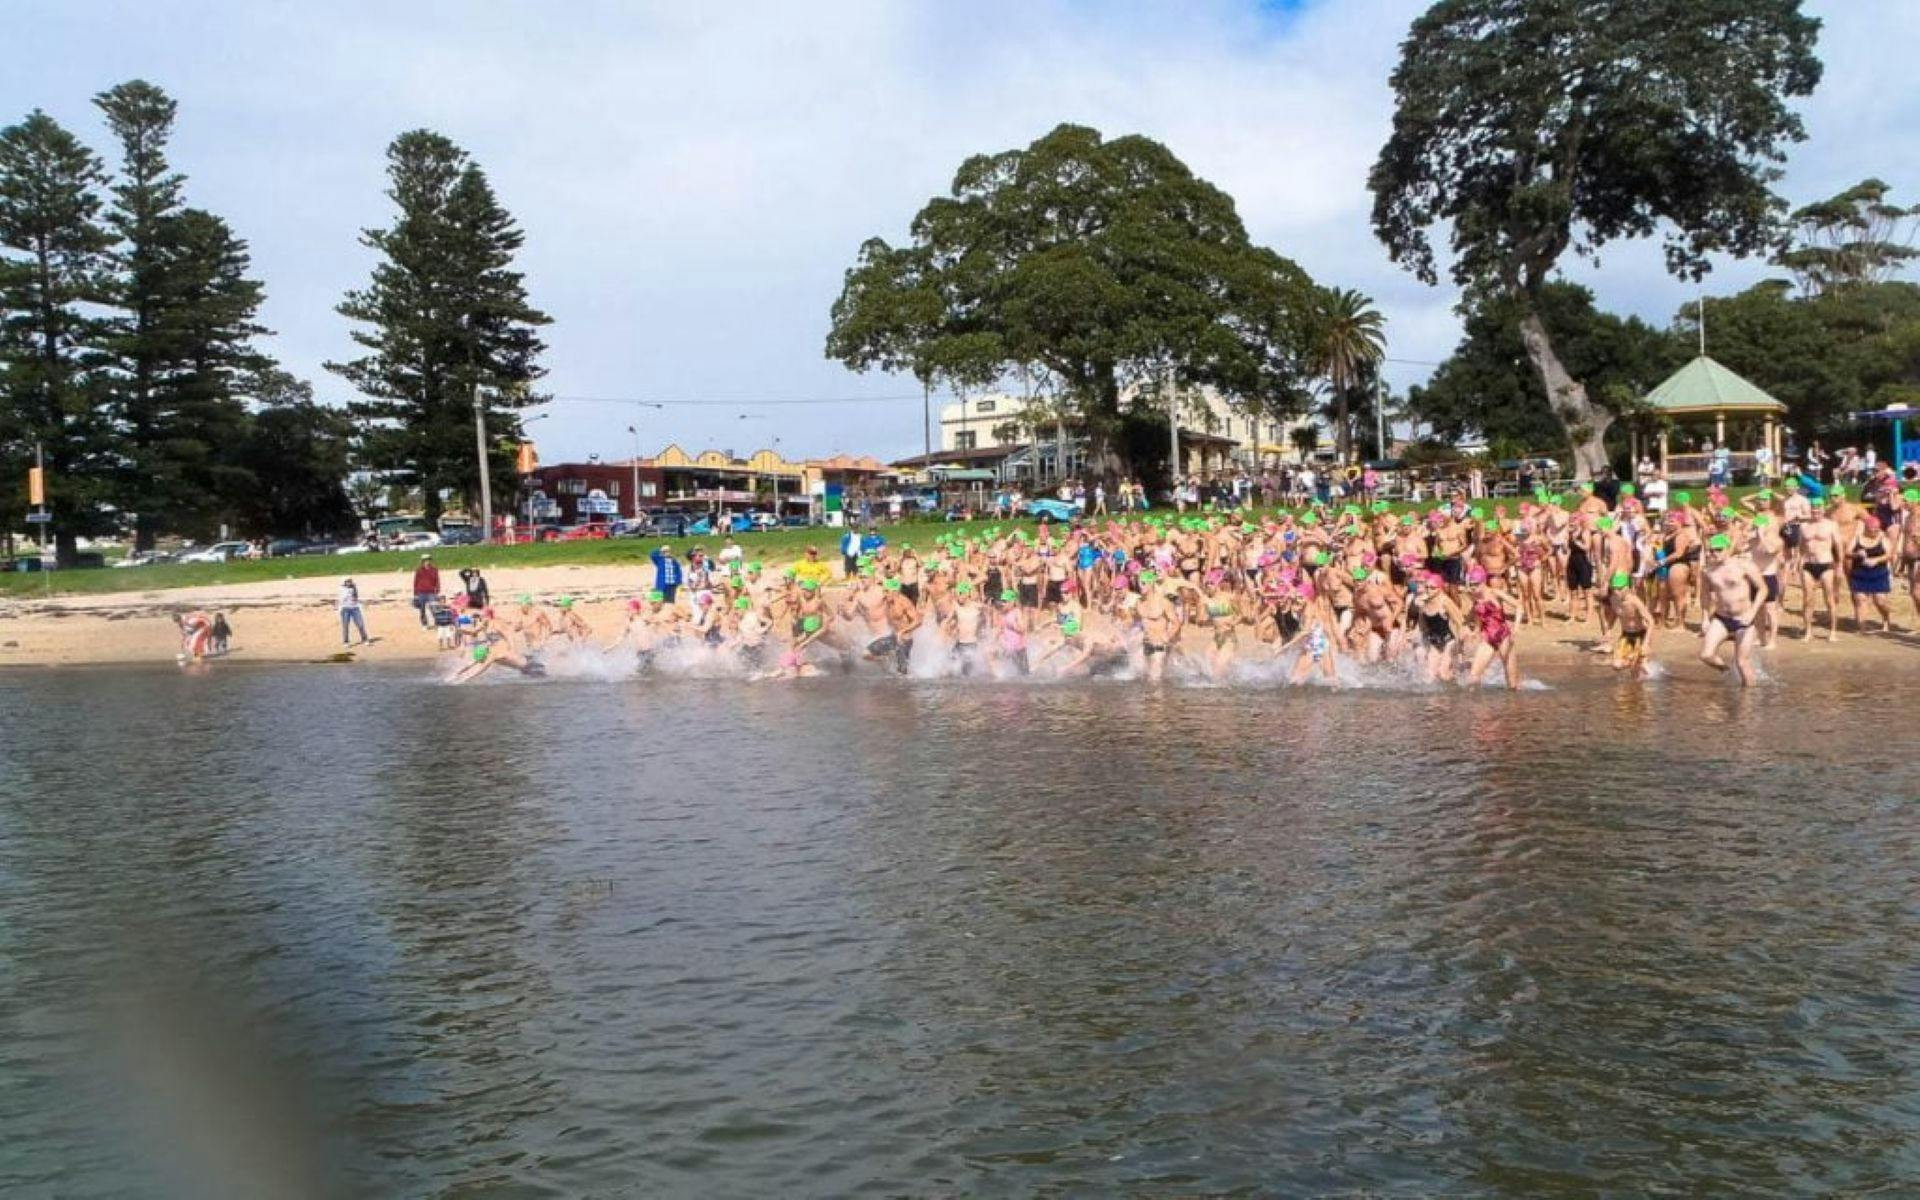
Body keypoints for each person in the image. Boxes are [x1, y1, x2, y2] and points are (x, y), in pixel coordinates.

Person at [1699, 533, 1765, 686]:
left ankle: (1749, 700)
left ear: (1727, 549)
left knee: (1742, 662)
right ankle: (1727, 672)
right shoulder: (1707, 571)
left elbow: (1763, 589)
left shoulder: (1744, 565)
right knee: (1706, 655)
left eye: (1717, 550)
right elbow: (1704, 595)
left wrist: (1753, 612)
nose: (1713, 553)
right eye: (1710, 550)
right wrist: (1704, 619)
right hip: (1721, 618)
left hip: (1745, 619)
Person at [411, 554, 441, 628]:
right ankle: (424, 624)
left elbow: (437, 580)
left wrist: (437, 589)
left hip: (431, 592)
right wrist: (415, 593)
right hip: (421, 592)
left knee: (434, 608)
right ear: (422, 561)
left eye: (428, 560)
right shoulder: (419, 570)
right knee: (422, 609)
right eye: (425, 560)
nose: (427, 562)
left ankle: (438, 623)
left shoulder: (434, 570)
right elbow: (416, 581)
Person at [338, 578, 370, 646]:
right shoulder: (341, 589)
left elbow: (356, 598)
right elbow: (342, 598)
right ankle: (346, 641)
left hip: (355, 608)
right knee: (345, 626)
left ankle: (364, 639)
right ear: (344, 582)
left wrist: (361, 603)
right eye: (347, 581)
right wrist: (339, 609)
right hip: (345, 609)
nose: (349, 583)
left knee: (360, 624)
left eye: (350, 581)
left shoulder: (354, 588)